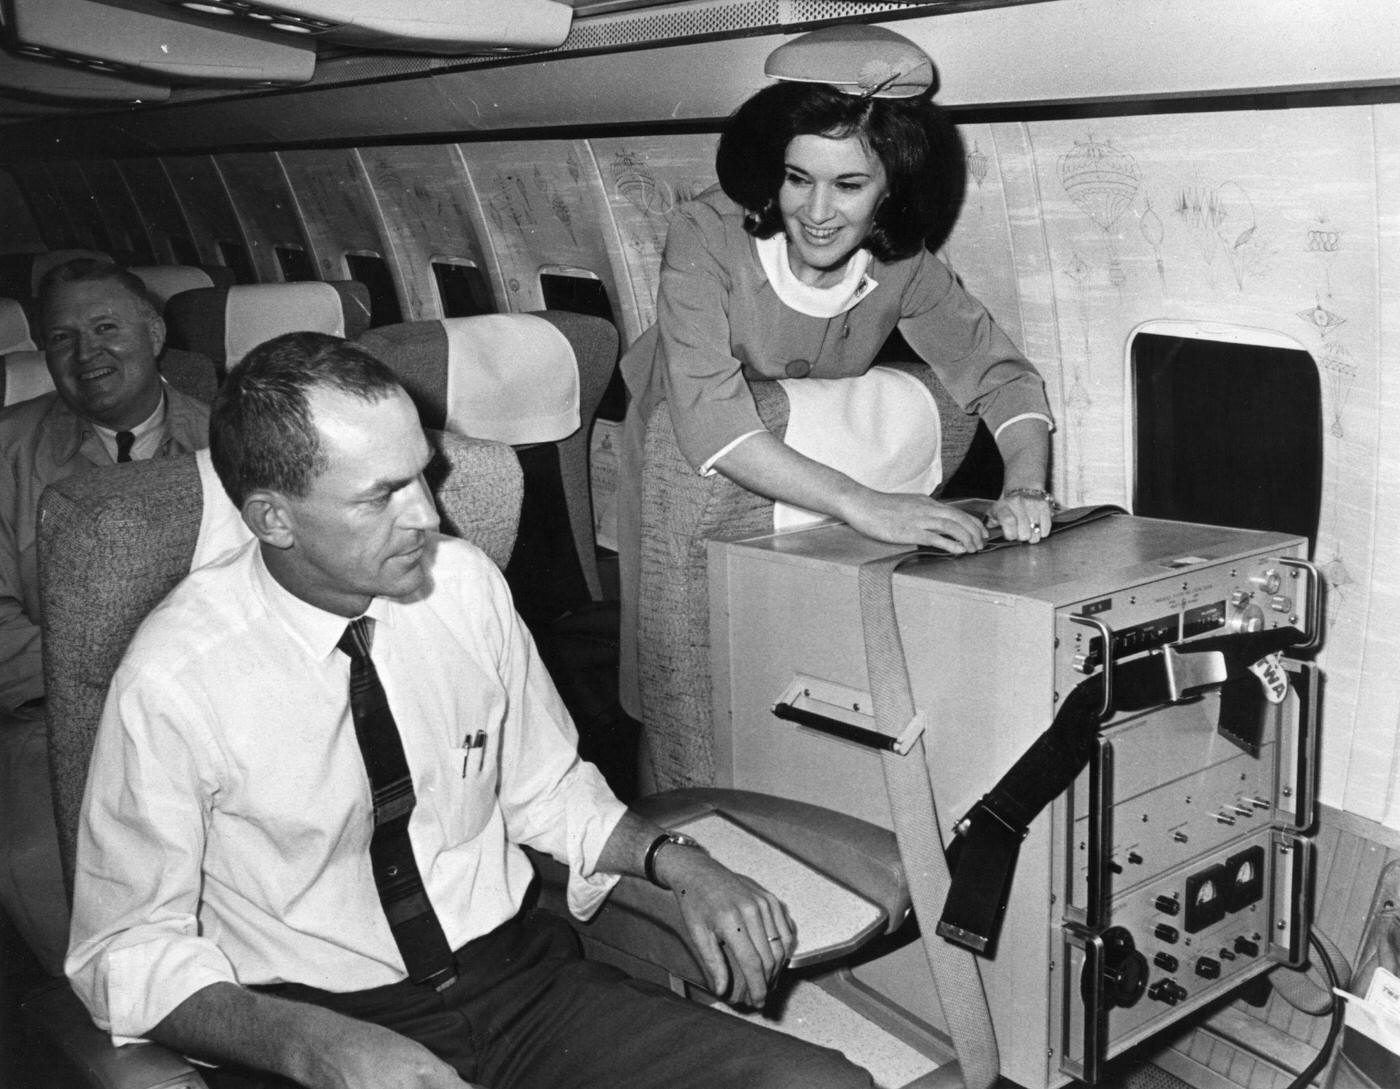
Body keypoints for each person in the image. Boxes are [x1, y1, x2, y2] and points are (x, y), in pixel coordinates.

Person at [65, 332, 873, 1089]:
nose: (425, 513)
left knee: (825, 1084)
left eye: (422, 472)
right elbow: (125, 948)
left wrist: (679, 861)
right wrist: (317, 1047)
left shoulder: (465, 585)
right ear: (274, 516)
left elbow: (548, 790)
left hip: (520, 985)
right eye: (381, 495)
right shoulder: (174, 679)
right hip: (319, 1018)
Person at [617, 25, 1057, 719]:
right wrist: (865, 503)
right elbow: (710, 418)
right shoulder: (704, 234)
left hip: (814, 464)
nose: (817, 214)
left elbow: (1003, 377)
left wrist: (1025, 484)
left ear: (891, 190)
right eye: (798, 179)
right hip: (683, 454)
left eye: (849, 185)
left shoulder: (902, 261)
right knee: (673, 686)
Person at [0, 258, 209, 975]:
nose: (87, 353)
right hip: (48, 713)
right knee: (38, 860)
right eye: (61, 338)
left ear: (153, 333)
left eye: (106, 327)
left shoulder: (227, 443)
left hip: (207, 709)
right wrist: (101, 685)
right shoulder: (5, 450)